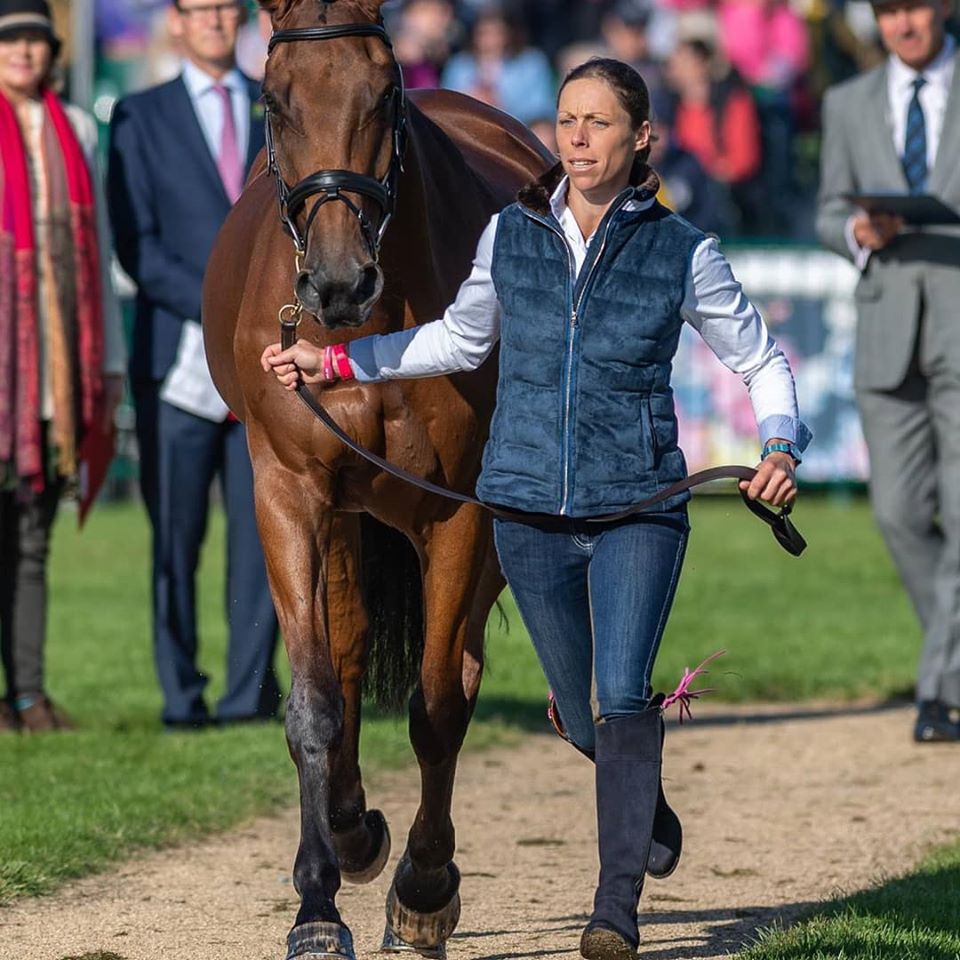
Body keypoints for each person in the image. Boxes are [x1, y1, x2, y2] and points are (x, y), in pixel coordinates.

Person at [262, 57, 809, 959]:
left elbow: (761, 360)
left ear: (641, 140)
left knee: (624, 696)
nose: (579, 139)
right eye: (566, 122)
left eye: (599, 123)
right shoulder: (509, 236)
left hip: (638, 502)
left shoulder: (685, 251)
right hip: (524, 513)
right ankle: (626, 780)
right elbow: (460, 336)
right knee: (578, 700)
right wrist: (340, 363)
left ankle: (614, 910)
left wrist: (780, 445)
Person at [107, 0, 279, 730]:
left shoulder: (276, 110)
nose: (213, 19)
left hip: (261, 367)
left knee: (262, 542)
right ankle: (181, 695)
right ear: (175, 23)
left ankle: (248, 695)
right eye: (198, 8)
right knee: (174, 544)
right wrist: (221, 302)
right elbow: (136, 246)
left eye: (223, 8)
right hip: (174, 359)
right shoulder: (138, 117)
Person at [816, 0, 960, 743]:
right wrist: (857, 231)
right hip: (886, 332)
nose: (903, 25)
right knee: (898, 515)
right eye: (889, 12)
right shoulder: (847, 103)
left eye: (915, 9)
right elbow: (826, 213)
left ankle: (937, 695)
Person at [0, 0, 125, 734]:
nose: (22, 52)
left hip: (53, 374)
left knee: (34, 538)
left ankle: (29, 694)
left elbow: (97, 250)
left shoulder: (74, 130)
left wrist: (106, 362)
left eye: (34, 41)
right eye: (9, 41)